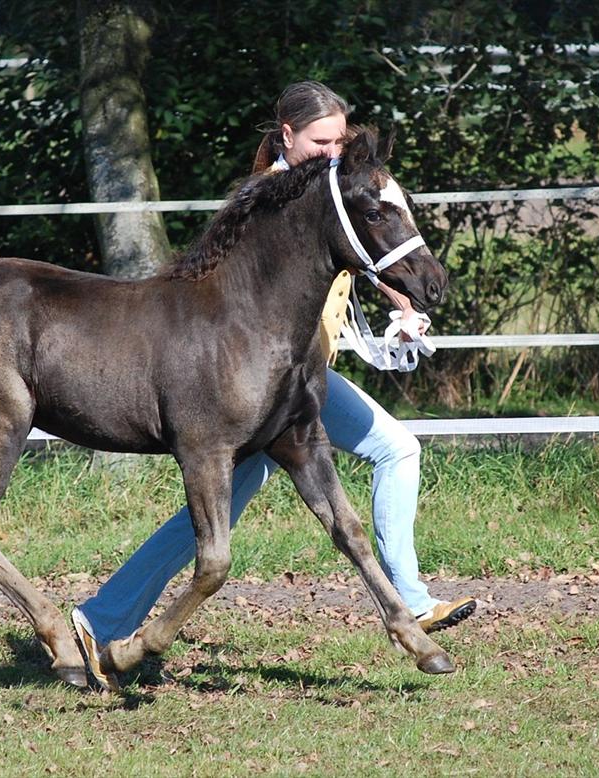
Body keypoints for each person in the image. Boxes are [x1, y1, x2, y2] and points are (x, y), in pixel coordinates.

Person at [71, 81, 475, 691]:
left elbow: (365, 248)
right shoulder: (271, 199)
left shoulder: (335, 189)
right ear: (287, 135)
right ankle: (103, 616)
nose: (335, 150)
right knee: (253, 490)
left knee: (377, 455)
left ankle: (101, 617)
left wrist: (402, 301)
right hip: (250, 383)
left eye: (341, 138)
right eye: (322, 140)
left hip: (296, 378)